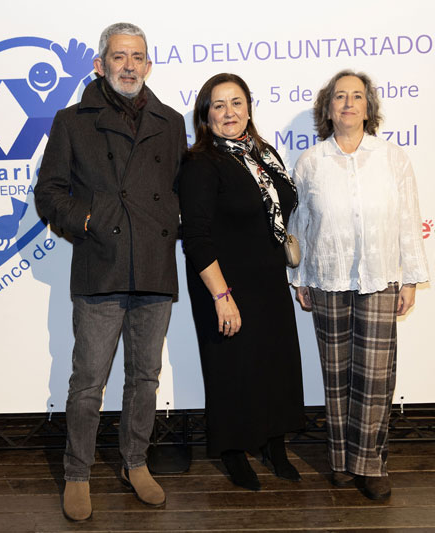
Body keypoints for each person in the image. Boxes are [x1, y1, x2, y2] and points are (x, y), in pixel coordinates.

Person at [35, 22, 187, 521]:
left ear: (148, 65)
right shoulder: (72, 120)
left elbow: (180, 189)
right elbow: (48, 192)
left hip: (154, 268)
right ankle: (78, 472)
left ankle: (135, 463)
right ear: (101, 64)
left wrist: (175, 222)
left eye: (137, 57)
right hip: (100, 265)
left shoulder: (171, 122)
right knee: (88, 382)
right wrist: (89, 220)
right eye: (119, 56)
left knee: (145, 378)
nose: (129, 65)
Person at [288, 70, 430, 501]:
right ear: (328, 109)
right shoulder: (310, 162)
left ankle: (370, 465)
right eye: (339, 97)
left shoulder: (392, 158)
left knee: (374, 377)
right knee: (336, 375)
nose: (348, 103)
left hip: (379, 277)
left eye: (356, 96)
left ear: (368, 108)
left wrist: (410, 278)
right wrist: (299, 277)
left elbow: (408, 218)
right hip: (326, 277)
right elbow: (300, 224)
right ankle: (341, 461)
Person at [179, 73, 305, 491]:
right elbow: (196, 238)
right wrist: (221, 295)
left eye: (236, 103)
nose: (229, 112)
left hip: (268, 279)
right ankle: (234, 451)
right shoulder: (200, 163)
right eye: (218, 105)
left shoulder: (264, 154)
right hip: (224, 283)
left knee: (273, 363)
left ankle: (272, 444)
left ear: (249, 109)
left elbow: (283, 210)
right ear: (206, 115)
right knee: (232, 369)